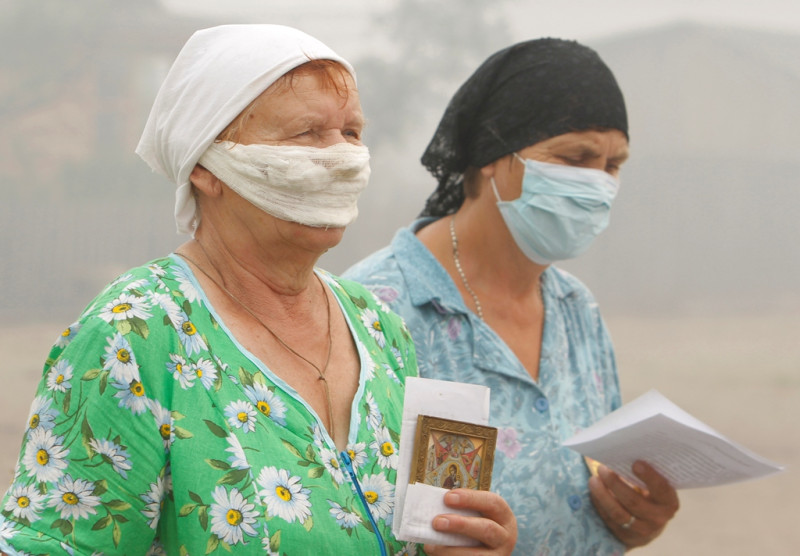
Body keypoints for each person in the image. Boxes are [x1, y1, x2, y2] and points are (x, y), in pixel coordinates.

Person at [0, 25, 516, 555]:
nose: (342, 157)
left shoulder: (378, 325)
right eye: (307, 134)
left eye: (352, 133)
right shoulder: (130, 336)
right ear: (206, 166)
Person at [345, 38, 680, 554]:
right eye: (574, 157)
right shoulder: (374, 309)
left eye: (613, 166)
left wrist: (635, 520)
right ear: (492, 158)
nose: (597, 185)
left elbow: (595, 496)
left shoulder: (577, 310)